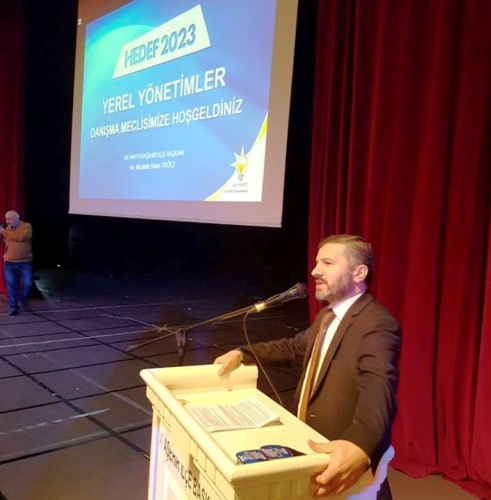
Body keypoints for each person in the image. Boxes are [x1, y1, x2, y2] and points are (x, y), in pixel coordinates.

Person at [214, 234, 401, 499]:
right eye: (316, 263)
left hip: (342, 463)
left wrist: (359, 445)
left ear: (359, 273)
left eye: (327, 263)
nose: (314, 271)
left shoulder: (377, 322)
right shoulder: (328, 315)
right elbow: (295, 347)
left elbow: (378, 391)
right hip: (313, 448)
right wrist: (242, 353)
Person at [0, 210, 34, 315]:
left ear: (17, 218)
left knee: (27, 284)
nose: (7, 221)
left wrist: (3, 232)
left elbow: (19, 237)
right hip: (9, 262)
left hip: (24, 262)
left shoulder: (26, 226)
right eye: (6, 219)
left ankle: (22, 299)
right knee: (11, 286)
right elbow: (4, 241)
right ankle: (13, 307)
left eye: (9, 219)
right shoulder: (7, 229)